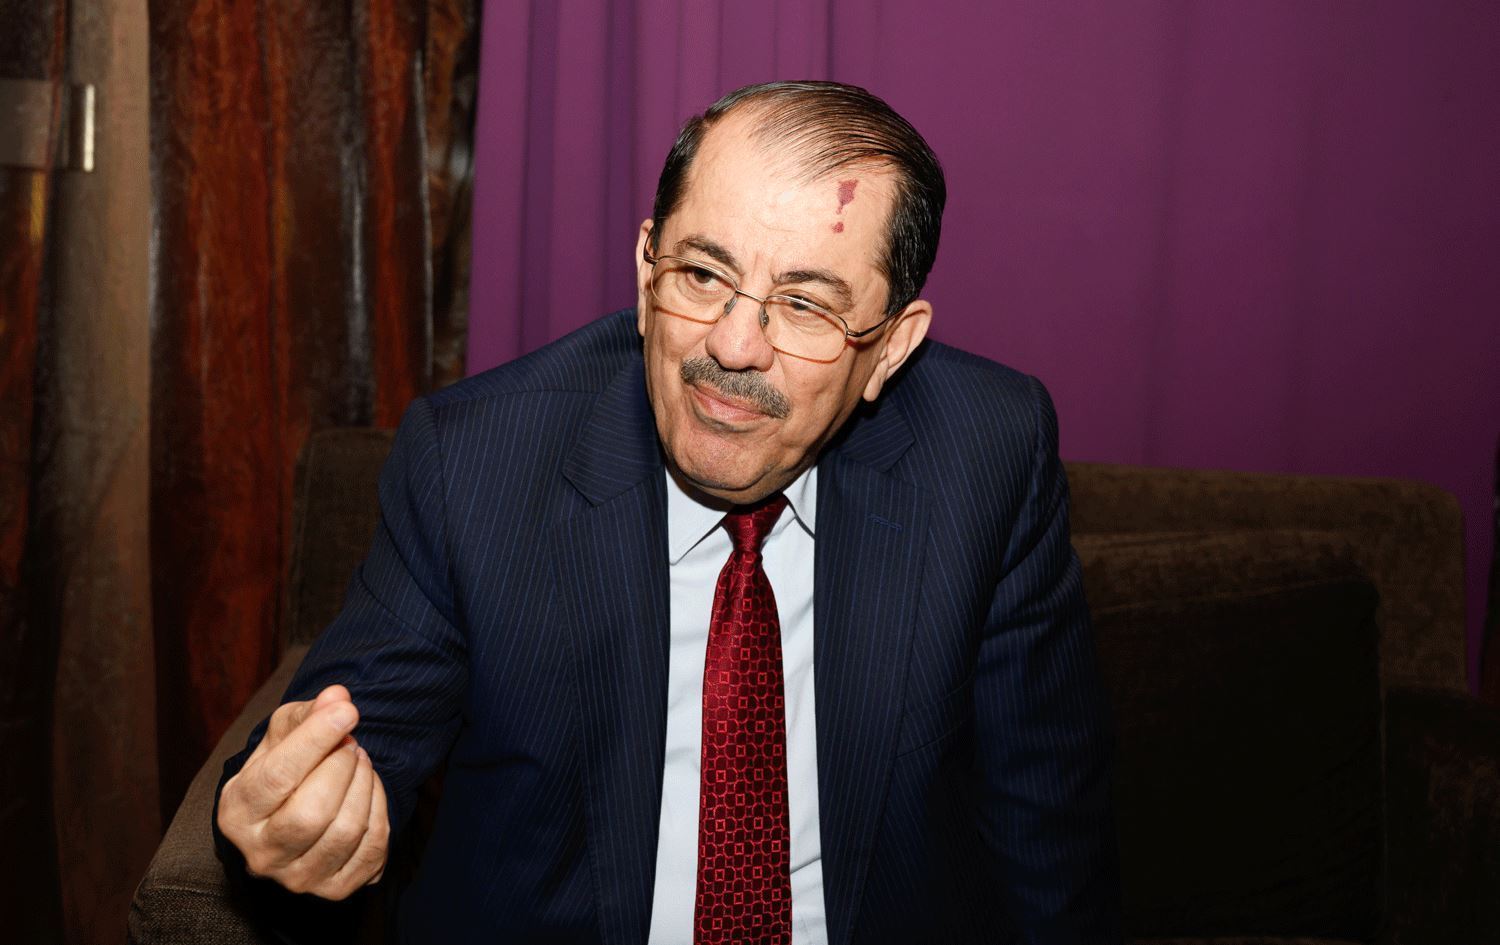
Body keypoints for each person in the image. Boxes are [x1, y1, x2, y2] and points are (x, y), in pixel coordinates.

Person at [214, 81, 1120, 944]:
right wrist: (295, 815)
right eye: (702, 273)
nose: (733, 344)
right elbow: (347, 746)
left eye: (805, 305)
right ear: (647, 266)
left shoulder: (988, 454)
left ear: (890, 347)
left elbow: (1046, 833)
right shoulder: (478, 461)